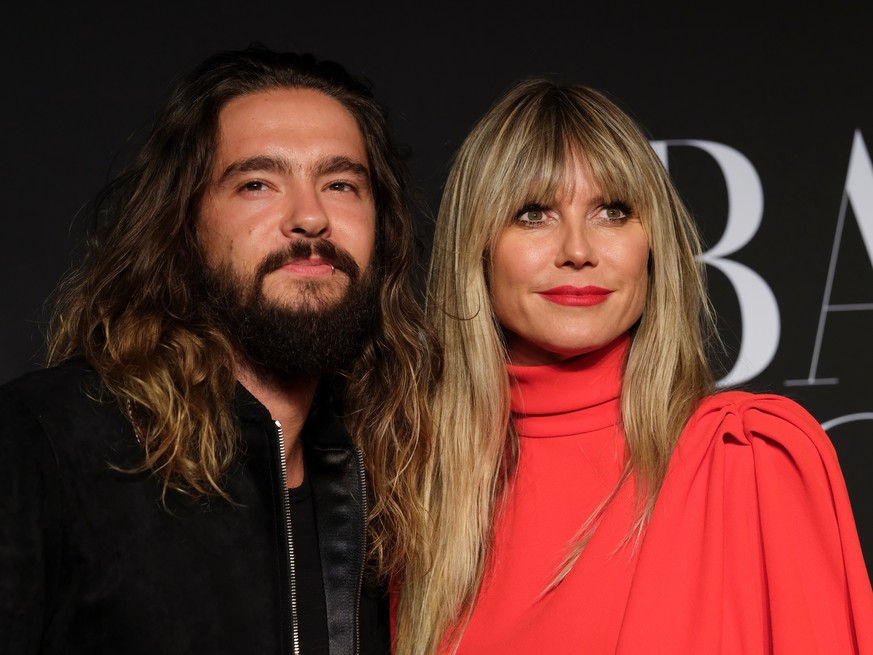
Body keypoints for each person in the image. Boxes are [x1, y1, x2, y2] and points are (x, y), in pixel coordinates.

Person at [393, 79, 873, 654]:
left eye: (613, 212)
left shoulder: (750, 459)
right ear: (476, 246)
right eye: (533, 214)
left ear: (654, 243)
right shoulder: (410, 482)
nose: (577, 249)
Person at [0, 45, 435, 655]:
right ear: (182, 225)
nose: (310, 218)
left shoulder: (394, 480)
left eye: (340, 184)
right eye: (257, 183)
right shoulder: (45, 440)